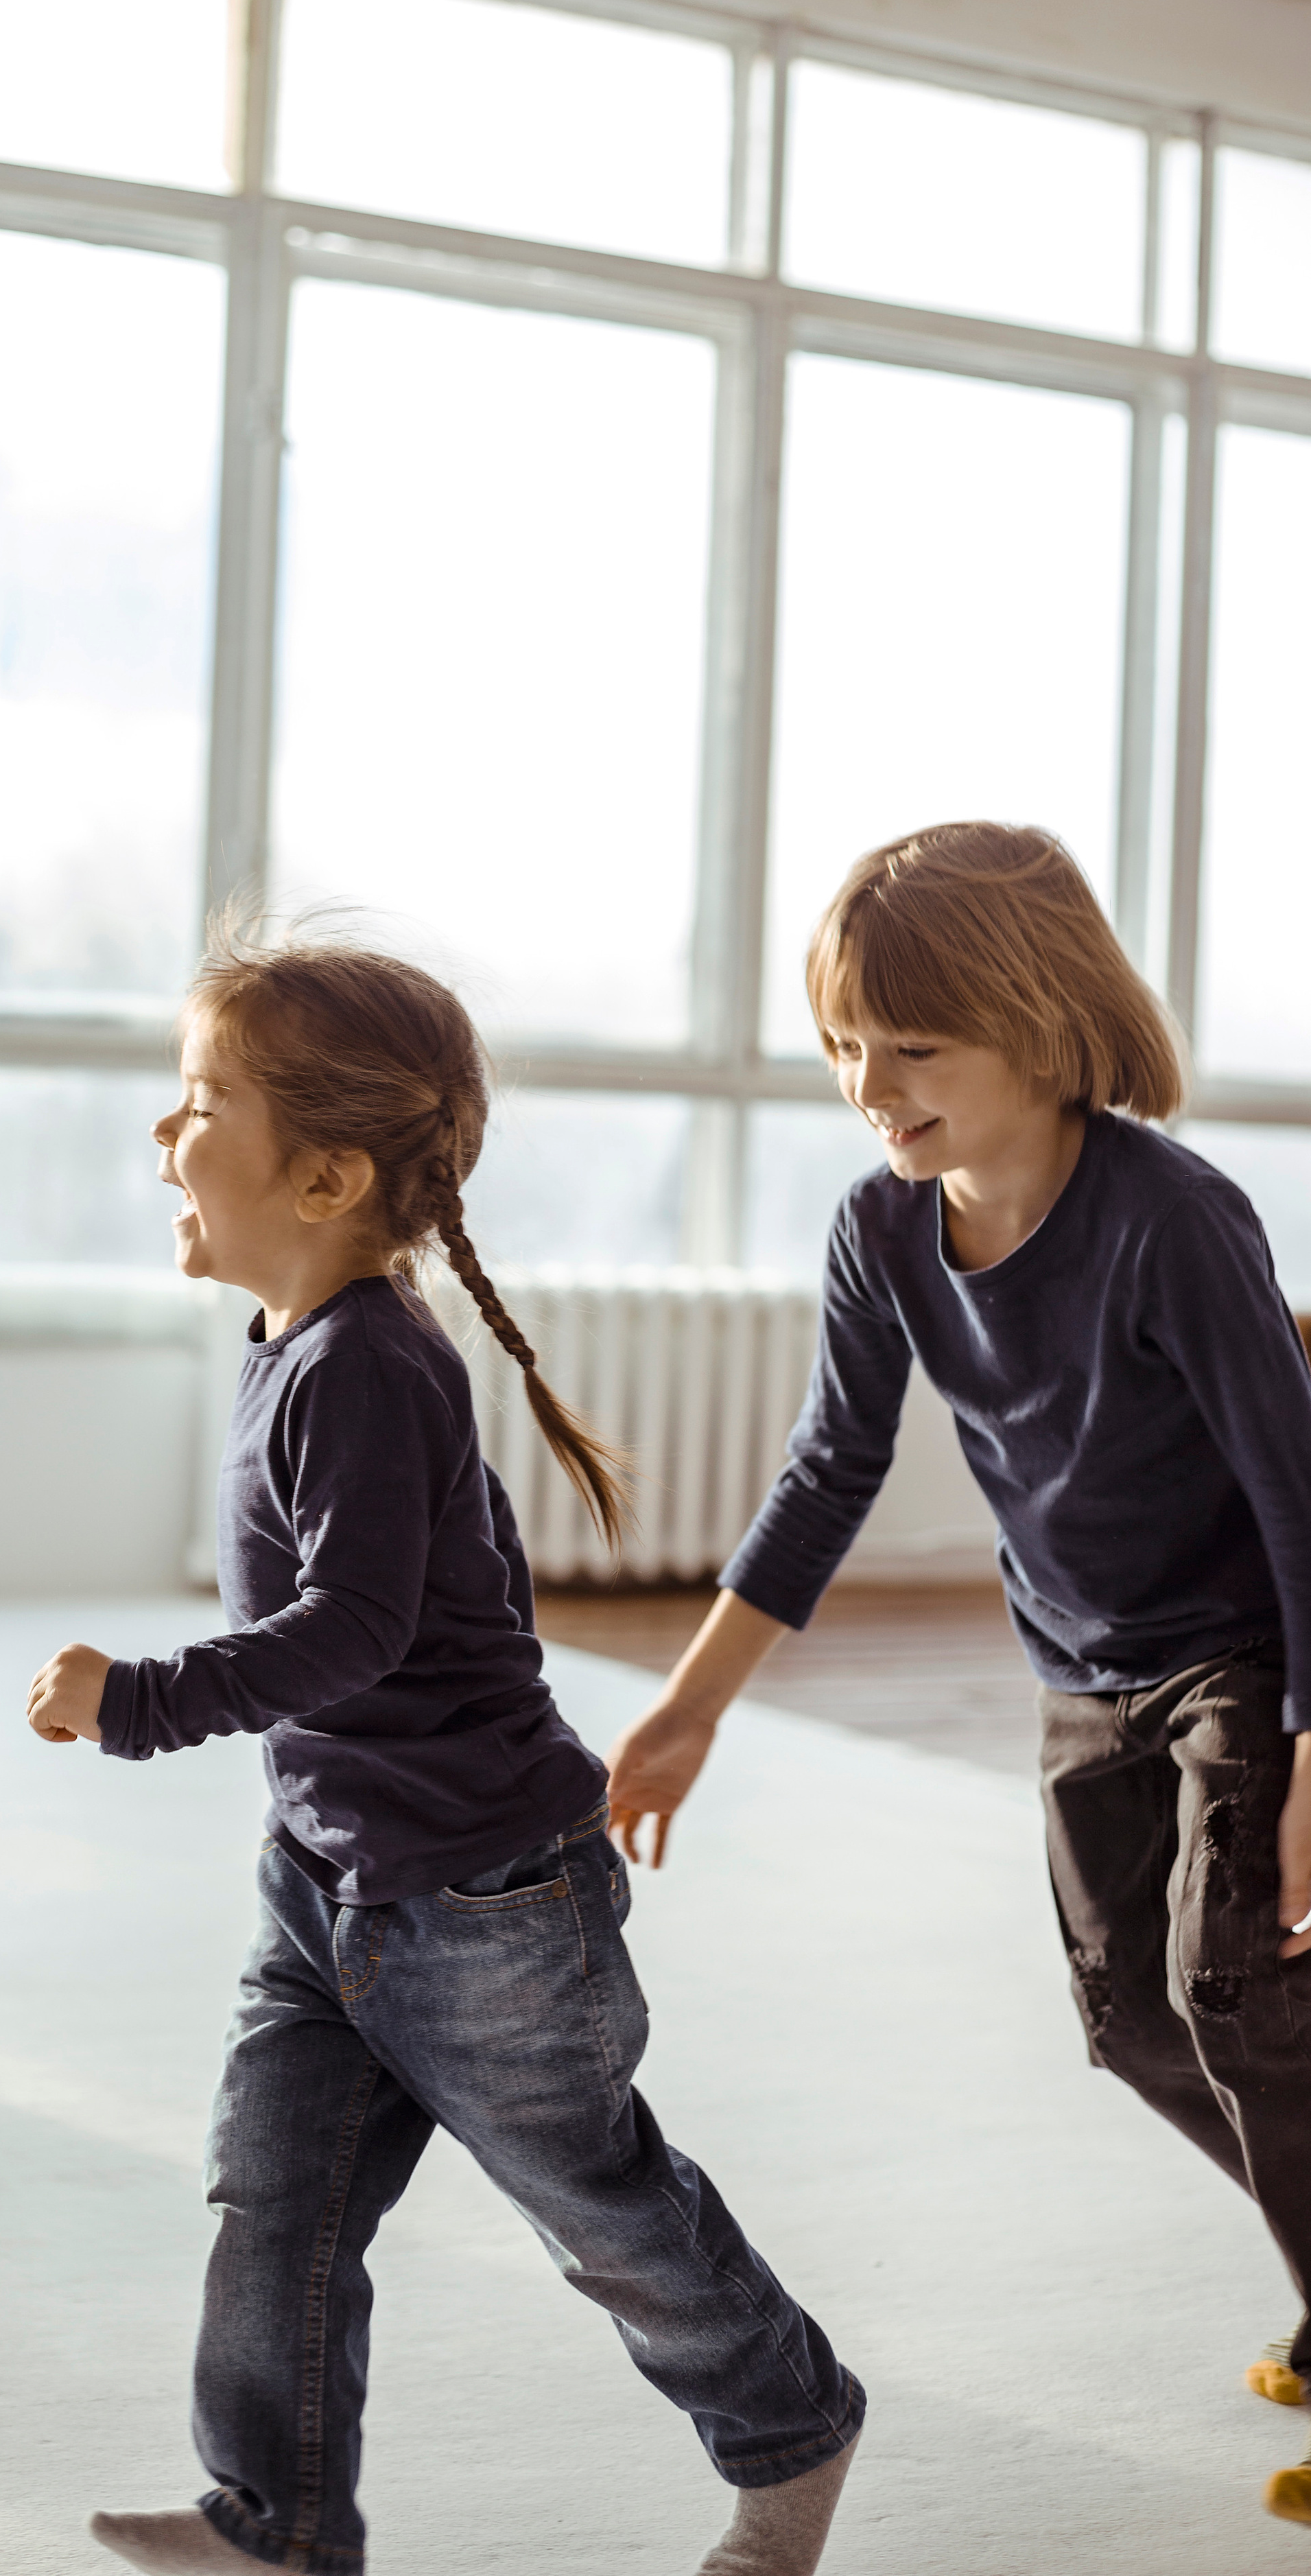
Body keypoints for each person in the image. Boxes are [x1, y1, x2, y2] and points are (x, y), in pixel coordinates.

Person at [26, 926, 863, 2576]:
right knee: (276, 2205)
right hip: (328, 1882)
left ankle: (792, 2429)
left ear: (327, 1176)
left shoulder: (367, 1369)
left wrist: (138, 1701)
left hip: (483, 1911)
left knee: (597, 2207)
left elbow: (355, 1632)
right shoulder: (295, 1342)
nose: (161, 1136)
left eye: (198, 1104)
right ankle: (272, 2524)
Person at [605, 822, 1311, 2531]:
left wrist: (1309, 1756)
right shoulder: (885, 1233)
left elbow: (1298, 1492)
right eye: (844, 1044)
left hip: (1243, 1650)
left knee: (1234, 1996)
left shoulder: (1171, 1222)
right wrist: (688, 1705)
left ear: (1041, 1021)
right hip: (1079, 1667)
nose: (867, 1082)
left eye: (910, 1047)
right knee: (1130, 2025)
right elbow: (822, 1473)